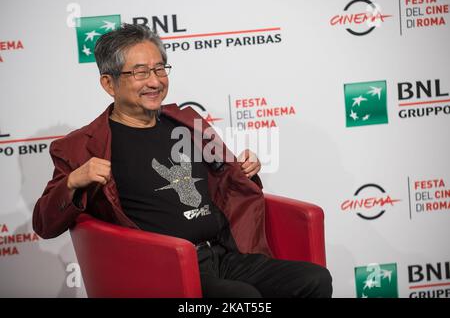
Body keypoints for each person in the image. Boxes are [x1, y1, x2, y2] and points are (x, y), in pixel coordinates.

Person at [33, 23, 332, 298]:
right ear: (109, 84)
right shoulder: (82, 147)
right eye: (139, 72)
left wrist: (245, 171)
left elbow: (228, 181)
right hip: (163, 269)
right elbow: (44, 224)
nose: (154, 81)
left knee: (314, 279)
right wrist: (72, 182)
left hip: (223, 254)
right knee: (241, 299)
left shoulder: (190, 122)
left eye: (160, 68)